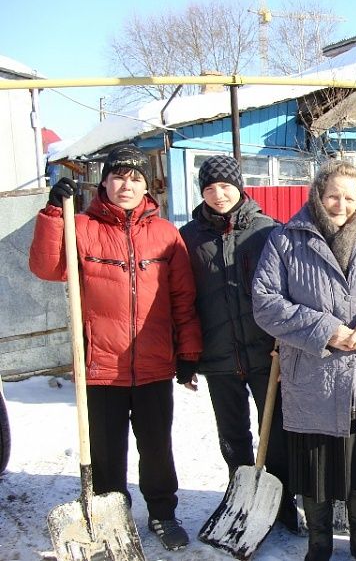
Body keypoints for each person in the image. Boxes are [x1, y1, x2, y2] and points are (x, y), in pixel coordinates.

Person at [29, 145, 202, 551]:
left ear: (147, 186)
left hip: (155, 361)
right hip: (101, 363)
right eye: (119, 176)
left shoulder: (165, 234)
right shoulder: (82, 226)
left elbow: (183, 297)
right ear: (105, 181)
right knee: (105, 450)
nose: (127, 184)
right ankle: (112, 514)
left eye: (136, 178)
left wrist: (188, 352)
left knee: (157, 447)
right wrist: (55, 215)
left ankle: (162, 512)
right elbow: (46, 267)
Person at [252, 160, 356, 561]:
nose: (340, 204)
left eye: (349, 197)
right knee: (314, 467)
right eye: (332, 196)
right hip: (311, 372)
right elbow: (265, 302)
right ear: (317, 195)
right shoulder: (286, 240)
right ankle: (319, 544)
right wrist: (326, 329)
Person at [178, 154, 297, 532]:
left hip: (266, 353)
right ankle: (241, 496)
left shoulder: (269, 231)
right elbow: (181, 300)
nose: (218, 194)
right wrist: (185, 354)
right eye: (210, 188)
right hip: (218, 355)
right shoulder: (187, 238)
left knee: (275, 432)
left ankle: (282, 500)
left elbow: (289, 291)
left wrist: (286, 340)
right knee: (232, 433)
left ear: (240, 186)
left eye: (226, 185)